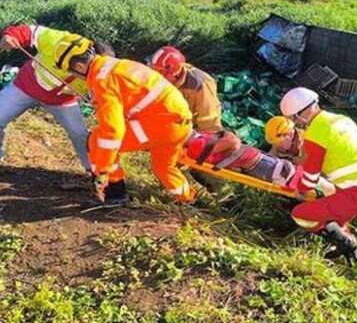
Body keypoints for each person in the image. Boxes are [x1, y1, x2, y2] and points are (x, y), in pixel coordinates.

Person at [54, 34, 195, 204]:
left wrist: (103, 168)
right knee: (163, 168)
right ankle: (188, 200)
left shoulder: (101, 80)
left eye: (71, 71)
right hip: (179, 123)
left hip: (161, 126)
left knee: (97, 140)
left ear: (79, 66)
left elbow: (113, 130)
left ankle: (116, 194)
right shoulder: (117, 65)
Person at [280, 87, 357, 263]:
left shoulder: (315, 134)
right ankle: (353, 255)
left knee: (300, 213)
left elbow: (310, 178)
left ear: (301, 113)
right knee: (337, 220)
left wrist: (299, 192)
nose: (295, 123)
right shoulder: (341, 120)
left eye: (293, 119)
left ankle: (348, 243)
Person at [0, 24, 100, 171]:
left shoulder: (99, 71)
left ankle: (96, 172)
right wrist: (10, 37)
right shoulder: (57, 39)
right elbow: (27, 31)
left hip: (62, 102)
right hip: (24, 87)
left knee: (80, 134)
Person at [185, 130, 299, 187]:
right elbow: (233, 141)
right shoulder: (196, 145)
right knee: (282, 173)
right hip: (256, 164)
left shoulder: (199, 136)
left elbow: (227, 136)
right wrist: (225, 137)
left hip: (252, 159)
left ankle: (299, 179)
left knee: (284, 170)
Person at [147, 46, 222, 132]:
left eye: (160, 72)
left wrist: (204, 141)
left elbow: (209, 120)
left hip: (192, 128)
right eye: (153, 69)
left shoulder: (200, 85)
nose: (155, 75)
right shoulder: (157, 79)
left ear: (174, 72)